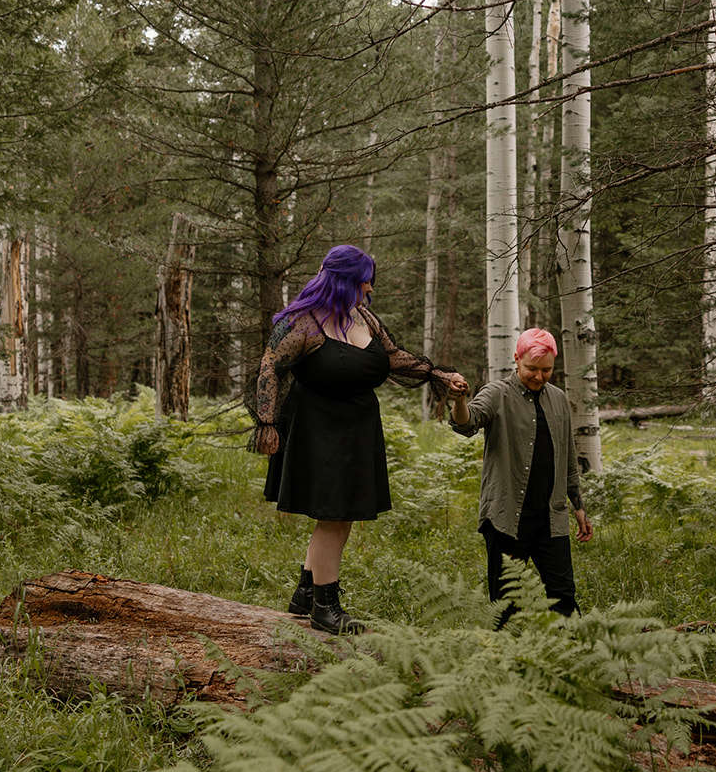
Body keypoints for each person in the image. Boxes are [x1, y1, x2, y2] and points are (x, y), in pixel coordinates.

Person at [252, 244, 468, 634]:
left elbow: (393, 356)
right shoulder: (304, 322)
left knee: (342, 513)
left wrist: (437, 375)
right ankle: (325, 606)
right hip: (318, 429)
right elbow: (269, 365)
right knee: (333, 517)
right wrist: (267, 422)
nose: (370, 289)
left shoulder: (362, 317)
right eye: (366, 281)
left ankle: (305, 594)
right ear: (346, 280)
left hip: (356, 429)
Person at [449, 328, 593, 624]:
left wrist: (578, 506)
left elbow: (567, 459)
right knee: (506, 606)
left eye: (546, 370)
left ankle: (577, 661)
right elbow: (467, 424)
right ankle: (504, 664)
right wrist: (460, 400)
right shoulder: (497, 393)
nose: (539, 376)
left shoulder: (559, 399)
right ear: (517, 359)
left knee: (563, 596)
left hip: (551, 517)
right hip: (506, 517)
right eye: (531, 369)